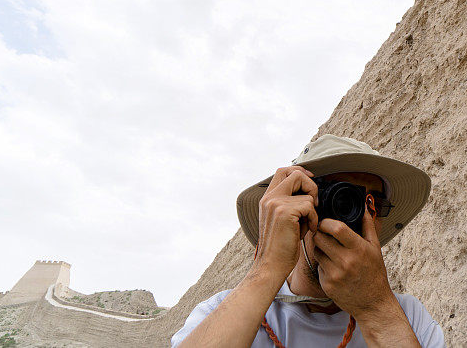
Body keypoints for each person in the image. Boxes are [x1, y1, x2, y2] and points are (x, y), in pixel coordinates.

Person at [172, 134, 445, 347]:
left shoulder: (407, 317)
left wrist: (375, 307)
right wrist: (267, 268)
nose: (354, 217)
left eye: (372, 203)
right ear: (295, 207)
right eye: (340, 198)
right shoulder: (220, 313)